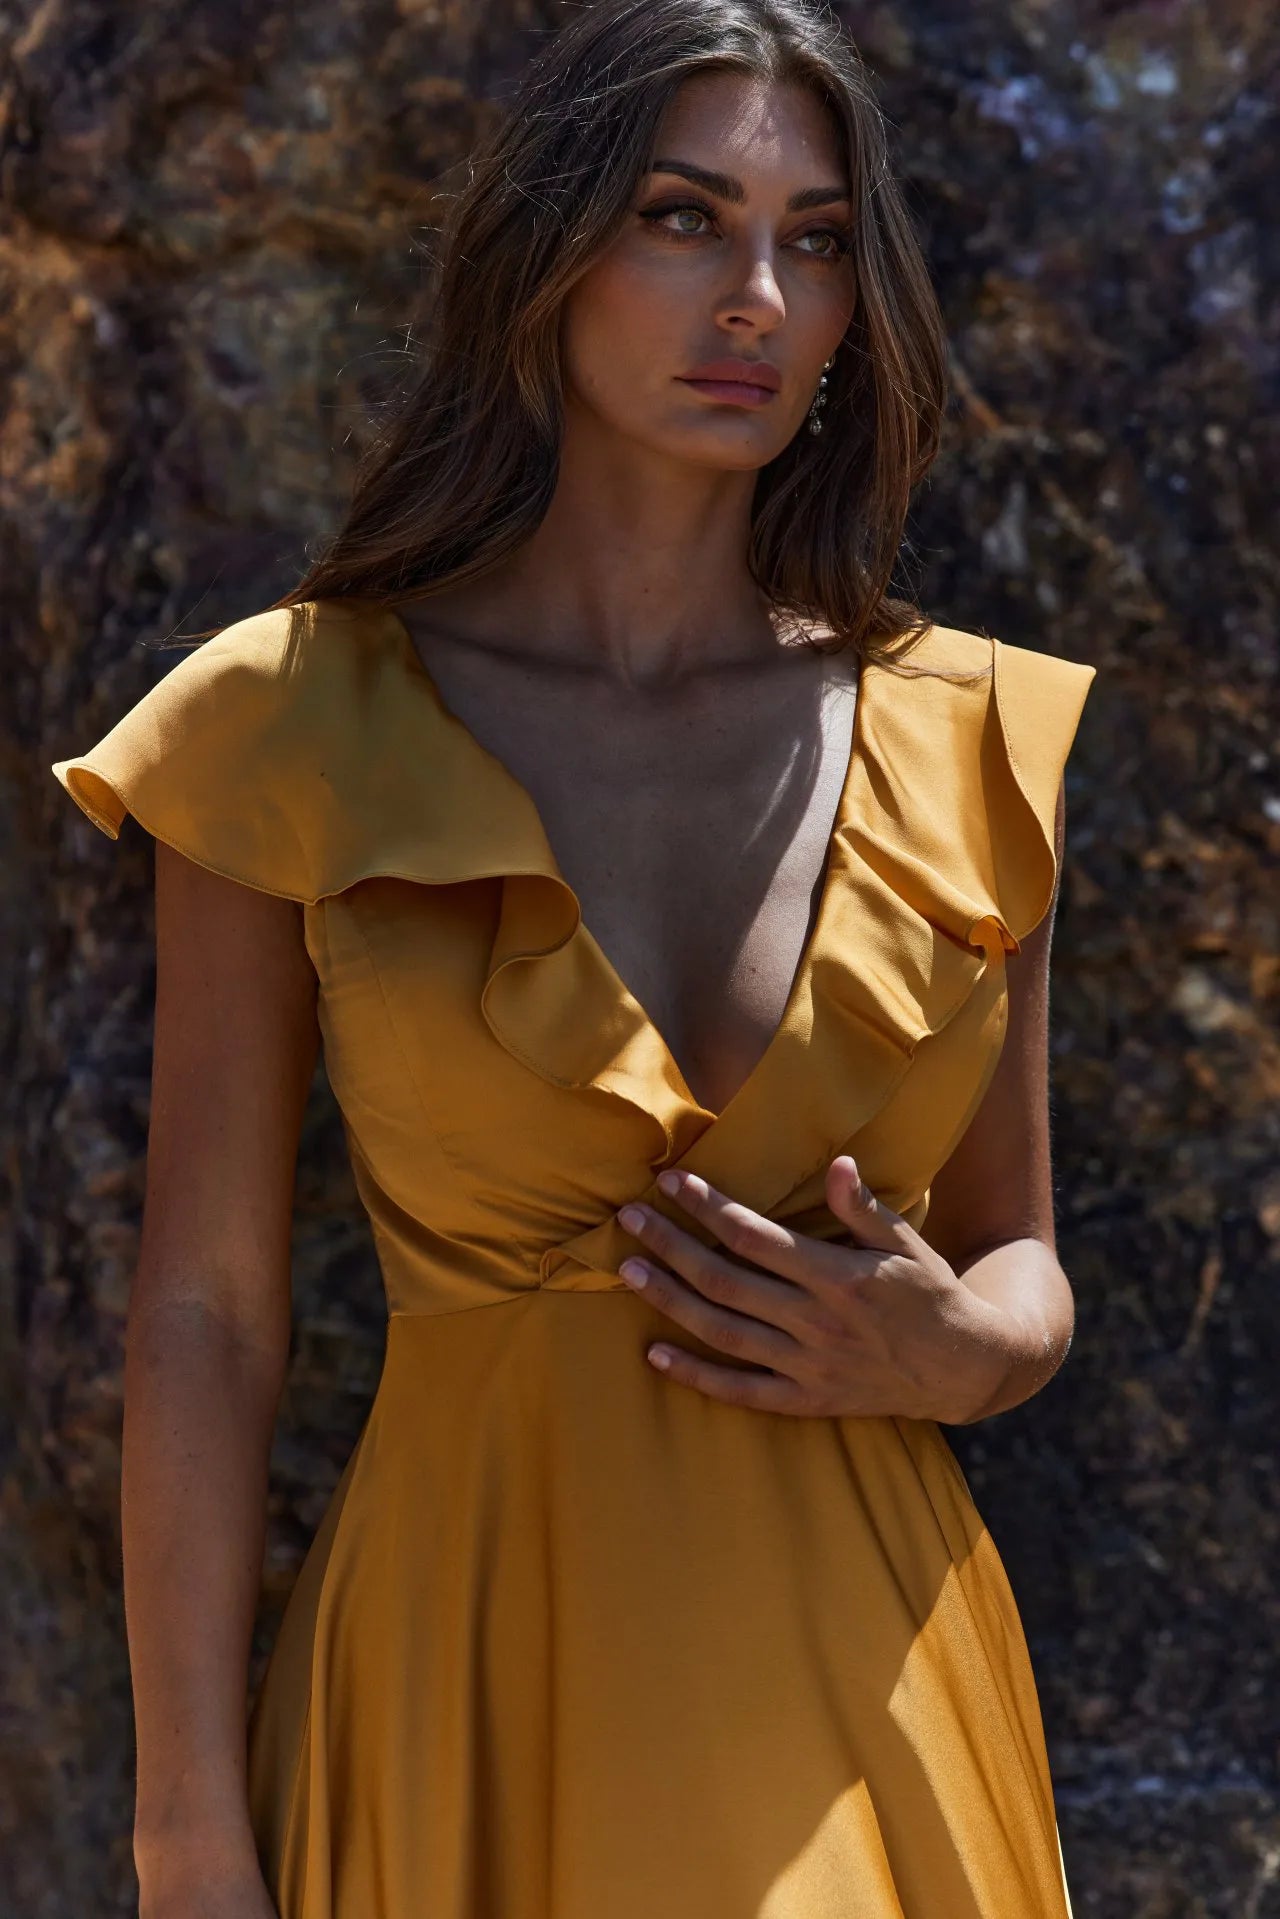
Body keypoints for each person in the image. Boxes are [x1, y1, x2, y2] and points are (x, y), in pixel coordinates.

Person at [50, 2, 1096, 1914]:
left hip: (873, 1686)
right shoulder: (291, 724)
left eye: (821, 237)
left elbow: (1024, 1257)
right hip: (460, 1682)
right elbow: (205, 1310)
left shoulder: (974, 742)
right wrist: (183, 1817)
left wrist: (959, 1348)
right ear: (549, 252)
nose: (761, 295)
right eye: (686, 218)